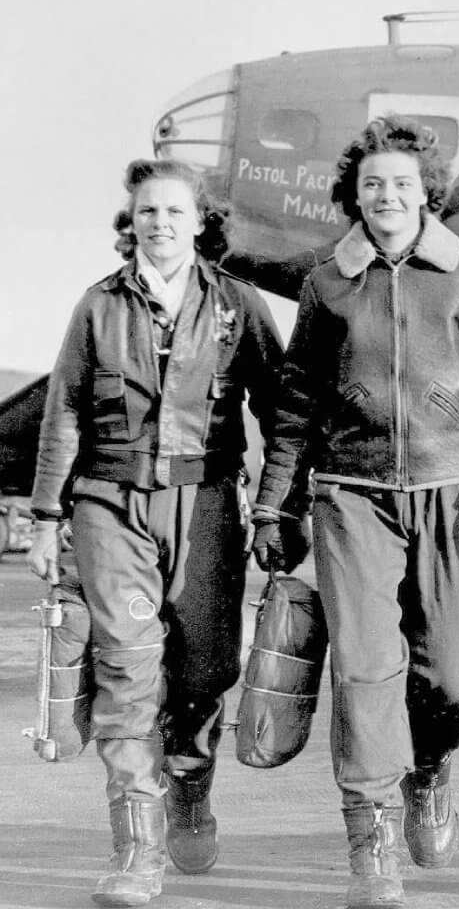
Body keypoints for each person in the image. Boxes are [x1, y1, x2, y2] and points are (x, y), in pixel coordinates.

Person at [252, 115, 459, 909]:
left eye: (402, 182)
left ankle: (431, 767)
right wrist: (274, 504)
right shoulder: (325, 286)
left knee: (451, 673)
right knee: (367, 669)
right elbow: (297, 405)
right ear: (355, 195)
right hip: (353, 496)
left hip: (458, 496)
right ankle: (370, 844)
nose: (387, 195)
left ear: (426, 193)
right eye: (372, 183)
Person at [28, 158, 286, 907]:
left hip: (207, 503)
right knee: (129, 669)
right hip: (110, 503)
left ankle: (192, 781)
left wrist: (276, 508)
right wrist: (47, 516)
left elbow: (279, 415)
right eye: (148, 212)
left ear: (201, 221)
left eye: (176, 212)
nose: (161, 224)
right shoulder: (97, 306)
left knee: (205, 671)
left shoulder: (239, 305)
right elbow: (64, 412)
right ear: (131, 222)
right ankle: (138, 854)